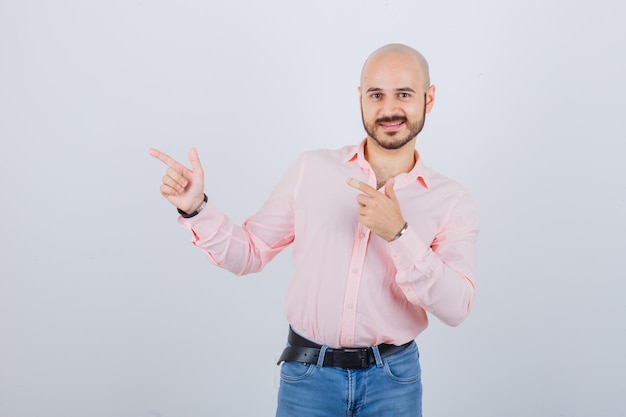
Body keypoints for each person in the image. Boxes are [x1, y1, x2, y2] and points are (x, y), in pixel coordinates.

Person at [149, 43, 479, 417]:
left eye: (403, 94)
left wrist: (400, 235)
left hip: (394, 382)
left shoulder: (451, 200)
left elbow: (456, 307)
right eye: (376, 94)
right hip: (308, 378)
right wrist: (196, 208)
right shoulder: (313, 170)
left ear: (428, 99)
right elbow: (251, 252)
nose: (389, 109)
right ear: (360, 98)